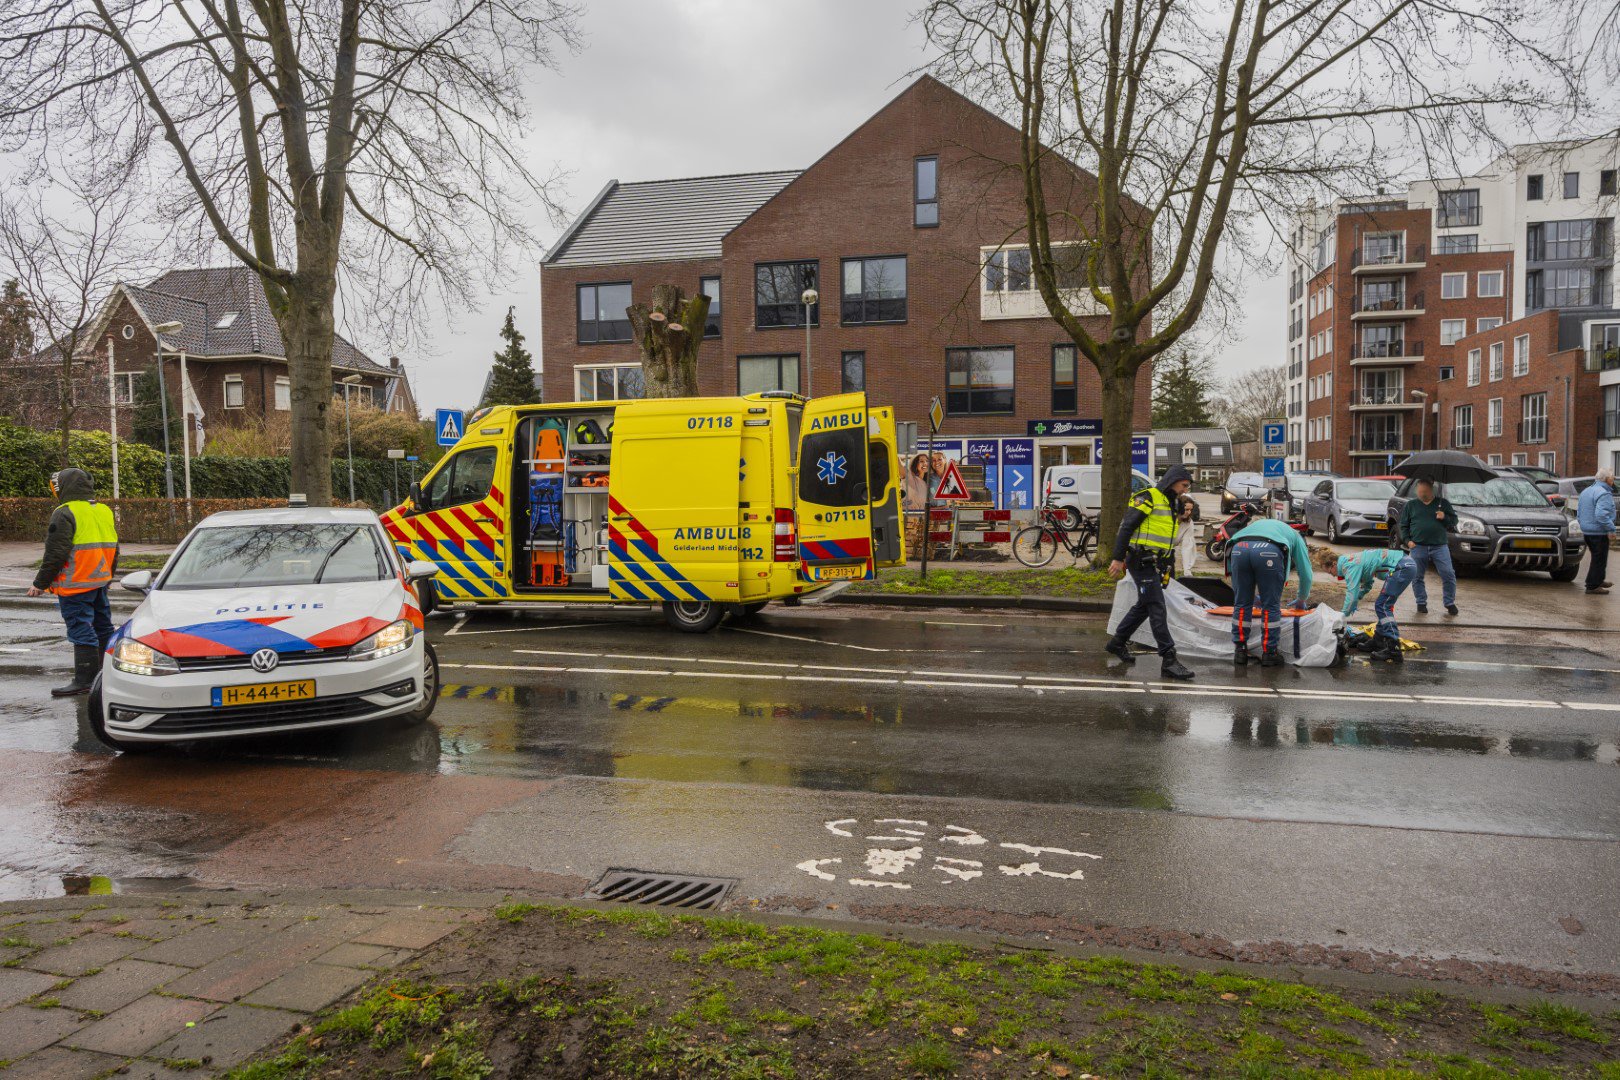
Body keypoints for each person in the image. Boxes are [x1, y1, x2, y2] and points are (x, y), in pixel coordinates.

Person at [25, 468, 119, 697]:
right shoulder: (103, 510)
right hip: (99, 582)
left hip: (76, 583)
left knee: (80, 628)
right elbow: (115, 548)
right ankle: (107, 675)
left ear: (62, 488)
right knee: (103, 627)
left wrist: (40, 583)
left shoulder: (65, 513)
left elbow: (55, 553)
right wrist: (108, 576)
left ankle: (85, 681)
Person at [1105, 464, 1196, 681]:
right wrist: (1118, 558)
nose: (1185, 490)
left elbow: (1167, 539)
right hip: (1139, 559)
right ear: (1173, 480)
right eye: (1183, 485)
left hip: (1155, 562)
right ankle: (1169, 659)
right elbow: (1127, 526)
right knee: (1156, 606)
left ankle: (1117, 643)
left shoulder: (1171, 502)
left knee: (1145, 605)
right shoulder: (1147, 497)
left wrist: (1168, 567)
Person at [1226, 513, 1313, 666]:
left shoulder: (1254, 528)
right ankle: (1269, 653)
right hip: (1269, 550)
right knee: (1271, 606)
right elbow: (1305, 573)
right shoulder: (1295, 536)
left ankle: (1240, 651)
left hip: (1238, 548)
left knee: (1241, 604)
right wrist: (1302, 598)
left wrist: (1252, 596)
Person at [1337, 548, 1416, 663]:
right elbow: (1367, 583)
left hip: (1401, 567)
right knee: (1384, 605)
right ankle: (1378, 640)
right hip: (1405, 564)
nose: (1333, 575)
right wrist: (1359, 596)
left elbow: (1352, 594)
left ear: (1334, 564)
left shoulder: (1349, 565)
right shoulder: (1355, 559)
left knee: (1382, 605)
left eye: (1330, 571)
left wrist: (1341, 615)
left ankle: (1394, 649)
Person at [1398, 477, 1458, 616]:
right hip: (1417, 546)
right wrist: (1407, 541)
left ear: (1431, 490)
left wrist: (1444, 517)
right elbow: (1403, 525)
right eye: (1419, 491)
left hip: (1439, 546)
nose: (1422, 494)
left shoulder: (1443, 504)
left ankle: (1449, 602)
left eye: (1424, 491)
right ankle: (1421, 602)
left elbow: (1454, 522)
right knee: (1416, 576)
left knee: (1448, 574)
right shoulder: (1411, 505)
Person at [1576, 469, 1616, 595]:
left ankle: (1598, 580)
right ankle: (1593, 585)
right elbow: (1601, 515)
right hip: (1598, 531)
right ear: (1608, 479)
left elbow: (1579, 512)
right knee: (1599, 558)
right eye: (1612, 478)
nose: (1613, 480)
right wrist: (1611, 528)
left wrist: (1583, 524)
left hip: (1587, 530)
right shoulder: (1603, 493)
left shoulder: (1587, 491)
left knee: (1598, 558)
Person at [1175, 491, 1200, 575]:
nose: (1189, 512)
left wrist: (1187, 571)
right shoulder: (1169, 517)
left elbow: (1187, 547)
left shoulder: (1189, 523)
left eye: (1190, 510)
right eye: (1186, 509)